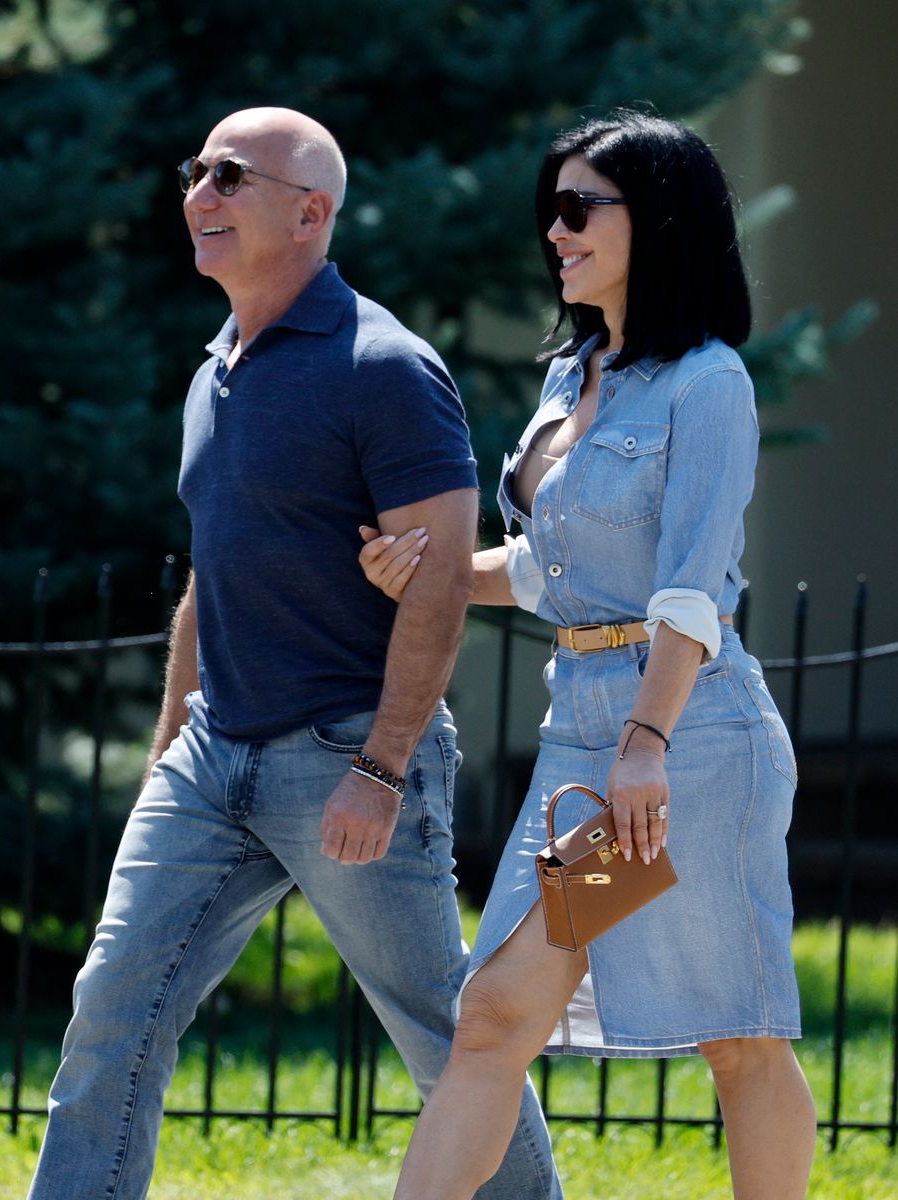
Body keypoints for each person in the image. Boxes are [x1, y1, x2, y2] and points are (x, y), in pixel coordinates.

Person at [27, 107, 562, 1200]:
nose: (200, 195)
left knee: (452, 1041)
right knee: (111, 1015)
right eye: (197, 172)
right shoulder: (217, 363)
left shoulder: (385, 367)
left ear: (311, 213)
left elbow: (443, 581)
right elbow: (211, 560)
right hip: (212, 757)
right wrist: (176, 727)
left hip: (342, 758)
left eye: (230, 176)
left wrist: (382, 763)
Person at [359, 111, 817, 1200]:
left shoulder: (709, 384)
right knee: (499, 1013)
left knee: (737, 1033)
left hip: (686, 747)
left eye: (578, 208)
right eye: (548, 211)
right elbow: (550, 571)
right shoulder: (576, 377)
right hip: (590, 736)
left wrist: (647, 744)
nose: (554, 232)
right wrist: (425, 571)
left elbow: (689, 587)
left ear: (656, 219)